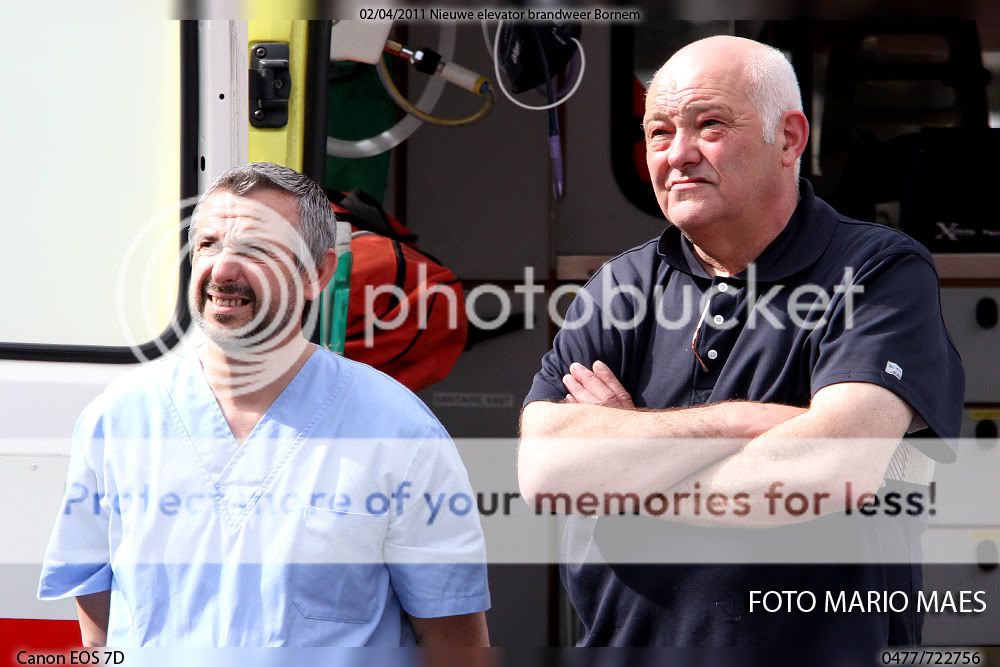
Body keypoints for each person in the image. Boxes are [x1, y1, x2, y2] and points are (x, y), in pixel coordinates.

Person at [519, 36, 964, 648]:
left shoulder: (878, 271)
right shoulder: (618, 284)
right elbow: (546, 471)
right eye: (657, 132)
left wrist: (624, 471)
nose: (678, 155)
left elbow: (829, 469)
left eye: (710, 125)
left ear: (789, 138)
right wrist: (747, 424)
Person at [38, 162, 491, 647]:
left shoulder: (398, 431)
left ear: (318, 272)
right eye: (209, 243)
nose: (223, 269)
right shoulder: (119, 419)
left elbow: (454, 637)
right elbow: (95, 605)